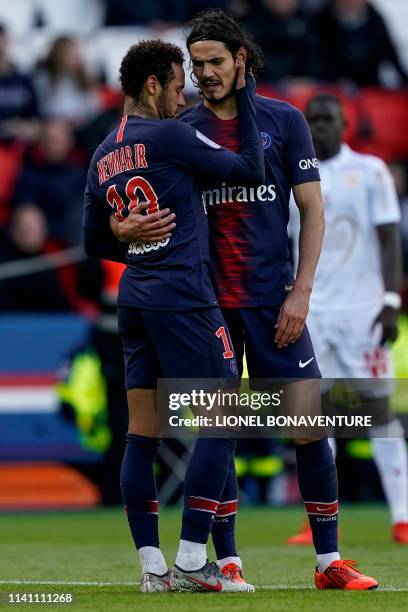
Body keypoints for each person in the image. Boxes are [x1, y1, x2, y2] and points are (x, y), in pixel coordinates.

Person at [118, 8, 378, 591]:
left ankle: (327, 563)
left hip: (272, 303)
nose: (205, 74)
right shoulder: (179, 131)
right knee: (221, 429)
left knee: (310, 426)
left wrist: (301, 294)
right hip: (204, 306)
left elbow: (312, 209)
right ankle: (228, 559)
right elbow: (134, 203)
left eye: (215, 62)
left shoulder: (284, 122)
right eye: (197, 64)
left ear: (242, 60)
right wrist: (120, 229)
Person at [83, 39, 265, 593]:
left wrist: (123, 233)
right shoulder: (169, 135)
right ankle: (190, 559)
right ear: (153, 85)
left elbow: (94, 242)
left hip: (134, 298)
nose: (185, 92)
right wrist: (247, 93)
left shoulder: (102, 151)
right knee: (225, 417)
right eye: (178, 82)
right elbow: (248, 169)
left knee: (142, 433)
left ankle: (151, 569)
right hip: (183, 295)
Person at [287, 93, 408, 545]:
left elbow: (390, 237)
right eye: (312, 120)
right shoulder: (292, 174)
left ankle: (402, 515)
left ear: (345, 123)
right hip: (312, 311)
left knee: (378, 415)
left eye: (327, 119)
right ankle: (316, 519)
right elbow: (284, 243)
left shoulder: (371, 171)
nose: (319, 127)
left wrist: (391, 300)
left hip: (362, 314)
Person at [315, 0, 408, 88]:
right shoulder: (322, 20)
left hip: (369, 87)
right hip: (335, 87)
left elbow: (389, 52)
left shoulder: (374, 18)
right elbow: (316, 60)